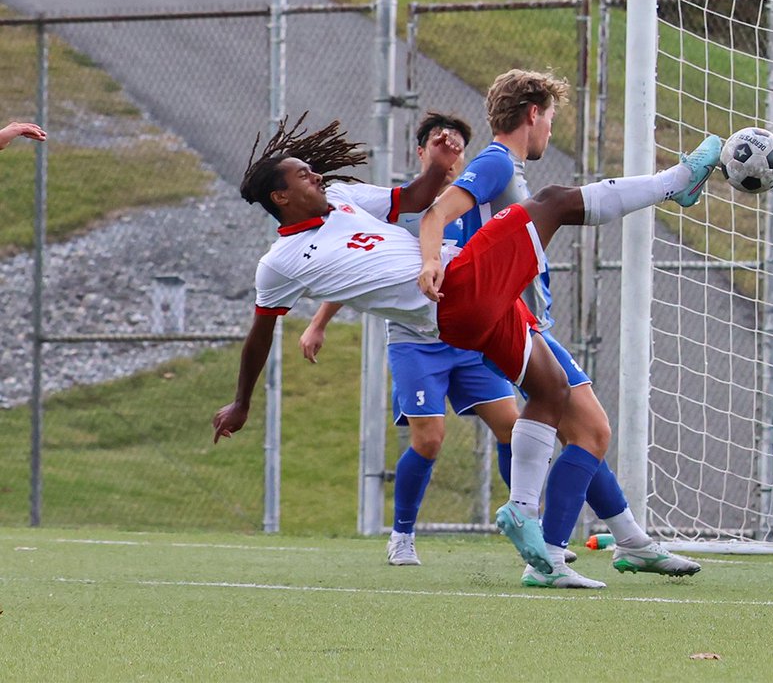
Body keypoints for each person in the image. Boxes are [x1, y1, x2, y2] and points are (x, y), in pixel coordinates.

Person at [213, 110, 720, 578]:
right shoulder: (278, 263)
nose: (316, 176)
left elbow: (413, 201)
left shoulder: (345, 199)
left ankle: (527, 520)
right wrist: (241, 400)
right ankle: (676, 183)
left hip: (466, 319)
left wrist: (438, 164)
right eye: (304, 175)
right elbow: (260, 336)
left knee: (552, 393)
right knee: (553, 202)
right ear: (280, 198)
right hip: (458, 293)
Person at [418, 69, 708, 588]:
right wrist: (431, 258)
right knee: (589, 429)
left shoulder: (504, 170)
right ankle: (550, 552)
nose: (550, 129)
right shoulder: (495, 162)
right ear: (533, 114)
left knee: (589, 431)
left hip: (516, 317)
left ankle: (629, 541)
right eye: (550, 117)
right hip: (505, 317)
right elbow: (440, 211)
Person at [299, 111, 521, 568]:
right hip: (416, 340)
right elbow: (360, 268)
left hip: (470, 338)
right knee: (430, 440)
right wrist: (319, 322)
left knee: (513, 429)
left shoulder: (481, 201)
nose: (451, 150)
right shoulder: (399, 208)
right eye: (442, 143)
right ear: (422, 153)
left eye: (460, 145)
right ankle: (401, 535)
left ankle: (527, 527)